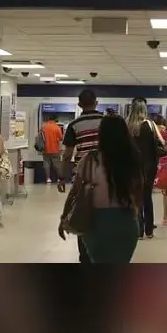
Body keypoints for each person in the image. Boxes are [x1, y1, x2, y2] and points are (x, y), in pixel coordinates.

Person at [58, 116, 143, 263]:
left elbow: (75, 192)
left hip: (96, 225)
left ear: (101, 135)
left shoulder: (89, 160)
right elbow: (139, 191)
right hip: (126, 223)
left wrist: (64, 218)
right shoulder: (132, 160)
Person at [61, 89, 103, 263]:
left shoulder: (74, 125)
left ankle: (85, 256)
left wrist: (61, 176)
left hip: (82, 176)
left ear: (79, 105)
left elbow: (67, 155)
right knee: (102, 213)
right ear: (96, 102)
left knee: (82, 213)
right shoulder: (106, 122)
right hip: (105, 175)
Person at [127, 98, 162, 239]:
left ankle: (138, 230)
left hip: (132, 166)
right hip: (149, 165)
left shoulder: (127, 126)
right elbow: (156, 146)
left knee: (136, 198)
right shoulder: (150, 124)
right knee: (147, 197)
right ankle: (149, 230)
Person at [41, 115, 63, 185]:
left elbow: (40, 137)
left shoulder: (43, 127)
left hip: (45, 149)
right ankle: (59, 178)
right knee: (57, 164)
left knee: (46, 164)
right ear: (55, 119)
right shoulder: (57, 127)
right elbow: (61, 138)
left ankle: (48, 179)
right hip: (55, 149)